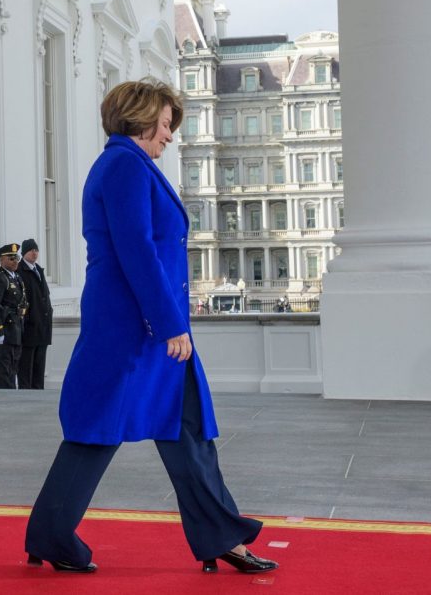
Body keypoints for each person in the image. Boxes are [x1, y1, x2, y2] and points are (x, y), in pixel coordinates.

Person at [24, 80, 277, 575]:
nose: (168, 136)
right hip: (134, 329)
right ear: (139, 119)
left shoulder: (131, 165)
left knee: (187, 431)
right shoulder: (123, 164)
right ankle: (51, 534)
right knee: (97, 430)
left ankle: (221, 536)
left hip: (146, 327)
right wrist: (168, 325)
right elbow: (137, 250)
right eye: (164, 124)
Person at [0, 243, 28, 389]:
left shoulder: (16, 278)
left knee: (13, 368)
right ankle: (4, 403)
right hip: (3, 330)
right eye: (11, 258)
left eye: (16, 257)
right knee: (4, 370)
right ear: (2, 260)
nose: (15, 261)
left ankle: (11, 401)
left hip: (15, 330)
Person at [17, 238, 53, 389]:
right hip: (30, 327)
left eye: (36, 250)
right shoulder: (20, 271)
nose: (35, 253)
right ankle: (26, 397)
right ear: (24, 252)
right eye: (31, 250)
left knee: (39, 366)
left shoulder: (39, 270)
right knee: (26, 367)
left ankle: (39, 393)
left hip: (42, 327)